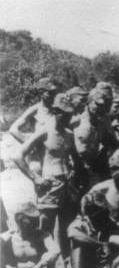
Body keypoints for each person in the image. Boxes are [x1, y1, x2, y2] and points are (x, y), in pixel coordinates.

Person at [14, 93, 76, 258]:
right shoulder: (44, 131)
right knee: (44, 231)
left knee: (66, 228)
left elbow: (74, 158)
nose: (68, 117)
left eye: (70, 114)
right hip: (50, 186)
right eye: (65, 113)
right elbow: (18, 155)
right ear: (56, 111)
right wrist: (35, 178)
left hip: (68, 186)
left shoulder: (69, 134)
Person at [1, 202, 60, 268]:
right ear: (19, 219)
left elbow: (56, 251)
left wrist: (39, 266)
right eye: (31, 219)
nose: (36, 222)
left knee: (48, 257)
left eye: (37, 218)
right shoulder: (6, 238)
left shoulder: (43, 235)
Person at [67, 191, 119, 268]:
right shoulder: (82, 221)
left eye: (103, 210)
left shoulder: (105, 220)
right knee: (77, 243)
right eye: (97, 210)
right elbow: (72, 233)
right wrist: (100, 244)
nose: (101, 213)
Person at [9, 77, 58, 144]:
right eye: (49, 93)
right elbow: (13, 129)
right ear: (41, 93)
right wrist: (28, 143)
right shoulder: (35, 109)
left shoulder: (57, 110)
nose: (53, 95)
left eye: (53, 92)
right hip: (39, 152)